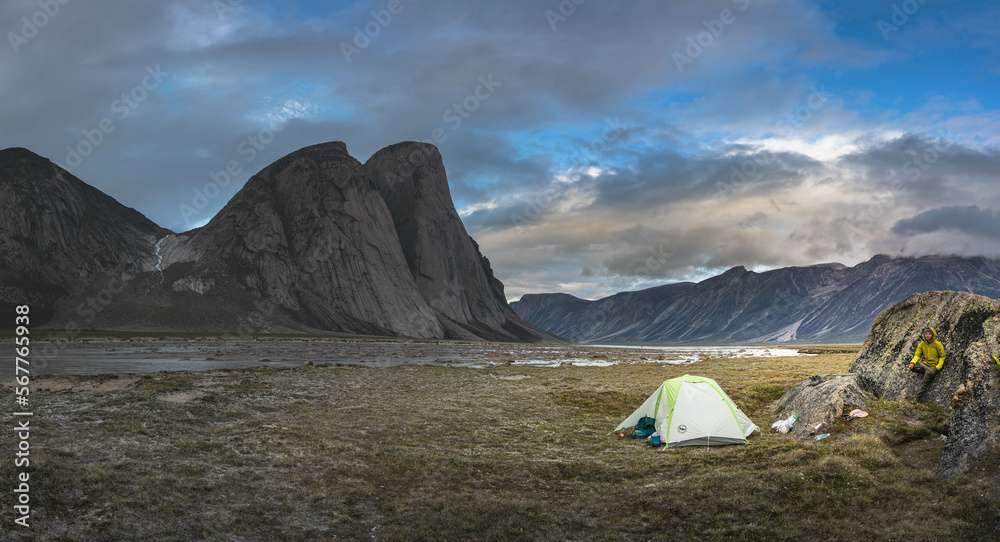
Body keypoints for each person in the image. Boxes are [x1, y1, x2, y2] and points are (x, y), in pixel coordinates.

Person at [908, 327, 944, 401]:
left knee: (924, 383)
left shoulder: (938, 344)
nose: (927, 335)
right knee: (913, 367)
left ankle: (916, 399)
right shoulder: (922, 344)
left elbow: (942, 357)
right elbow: (917, 355)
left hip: (932, 367)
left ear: (932, 335)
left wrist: (937, 368)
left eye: (929, 334)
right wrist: (912, 362)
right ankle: (925, 372)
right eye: (926, 334)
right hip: (924, 364)